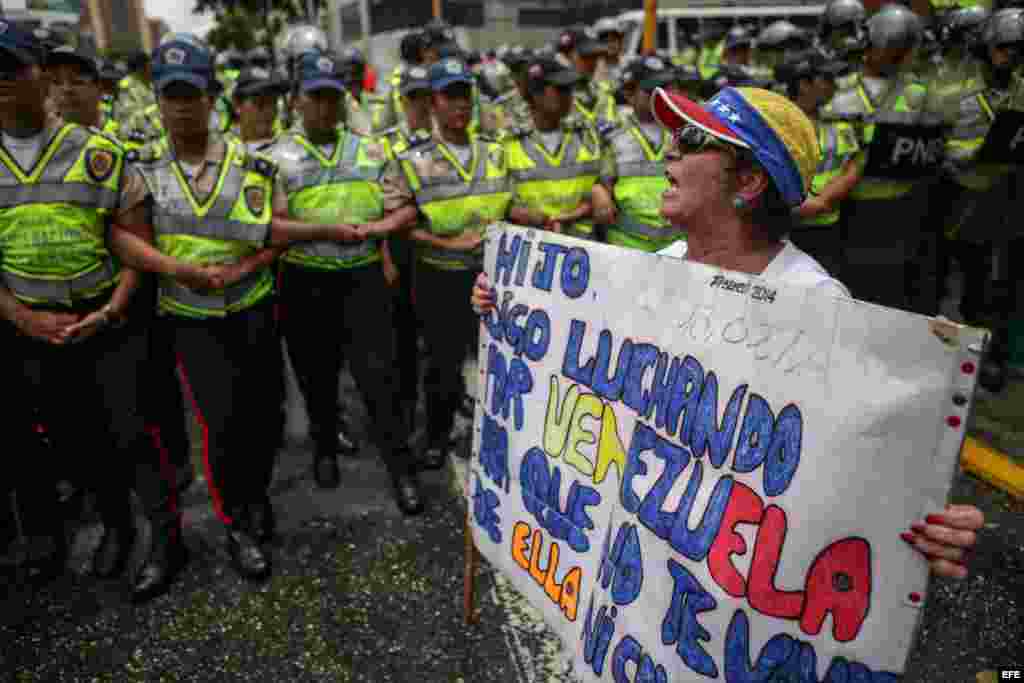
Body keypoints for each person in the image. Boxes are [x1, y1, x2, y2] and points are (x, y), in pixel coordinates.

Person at [472, 84, 985, 581]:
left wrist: (916, 526)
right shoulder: (659, 266)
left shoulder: (817, 306)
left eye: (694, 140)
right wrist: (508, 307)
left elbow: (850, 467)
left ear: (748, 184)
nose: (670, 150)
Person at [109, 35, 375, 580]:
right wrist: (177, 270)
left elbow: (273, 233)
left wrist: (247, 268)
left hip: (252, 308)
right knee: (223, 423)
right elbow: (123, 238)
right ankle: (239, 523)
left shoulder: (253, 163)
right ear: (158, 100)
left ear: (213, 97)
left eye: (192, 93)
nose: (182, 106)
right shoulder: (143, 166)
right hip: (192, 319)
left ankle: (254, 496)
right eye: (171, 94)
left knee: (263, 416)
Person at [0, 23, 180, 601]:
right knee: (77, 439)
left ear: (41, 77)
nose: (2, 83)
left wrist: (109, 312)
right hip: (33, 329)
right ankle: (117, 528)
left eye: (12, 69)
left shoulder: (100, 154)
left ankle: (165, 537)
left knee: (133, 431)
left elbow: (134, 243)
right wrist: (24, 319)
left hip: (108, 321)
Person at [262, 50, 423, 513]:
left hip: (362, 279)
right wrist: (324, 231)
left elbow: (406, 207)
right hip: (305, 280)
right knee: (316, 375)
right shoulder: (275, 159)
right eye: (315, 98)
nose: (325, 107)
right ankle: (325, 449)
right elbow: (269, 227)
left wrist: (379, 231)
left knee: (381, 378)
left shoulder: (372, 150)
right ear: (296, 101)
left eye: (333, 98)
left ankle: (401, 468)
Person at [391, 57, 512, 470]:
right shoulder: (413, 159)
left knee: (497, 361)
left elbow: (513, 207)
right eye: (450, 96)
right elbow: (400, 226)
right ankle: (437, 436)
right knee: (442, 366)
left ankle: (494, 436)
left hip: (492, 276)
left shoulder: (497, 153)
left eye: (465, 95)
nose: (460, 104)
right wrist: (445, 240)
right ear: (433, 103)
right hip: (439, 276)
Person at [821, 4, 947, 312]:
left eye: (904, 51)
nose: (899, 57)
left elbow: (933, 147)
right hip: (855, 208)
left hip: (906, 207)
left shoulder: (919, 92)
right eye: (893, 50)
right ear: (872, 46)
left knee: (900, 290)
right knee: (858, 291)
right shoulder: (839, 91)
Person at [939, 7, 1024, 392]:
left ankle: (997, 356)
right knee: (967, 283)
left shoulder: (1020, 88)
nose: (1013, 58)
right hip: (962, 197)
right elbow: (941, 148)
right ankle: (964, 357)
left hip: (1008, 196)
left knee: (1004, 283)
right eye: (1007, 49)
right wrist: (976, 154)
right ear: (987, 48)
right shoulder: (957, 89)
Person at [782, 51, 862, 278]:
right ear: (804, 84)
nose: (833, 84)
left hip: (831, 229)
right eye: (826, 79)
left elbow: (851, 165)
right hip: (787, 230)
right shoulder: (776, 123)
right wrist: (801, 207)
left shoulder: (839, 121)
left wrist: (824, 201)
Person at [504, 58, 603, 241]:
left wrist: (592, 201)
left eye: (569, 90)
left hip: (583, 250)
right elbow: (496, 199)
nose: (569, 97)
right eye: (560, 90)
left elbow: (601, 184)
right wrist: (517, 212)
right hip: (529, 249)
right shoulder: (507, 142)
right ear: (536, 94)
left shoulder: (587, 136)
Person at [592, 56, 683, 252]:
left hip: (678, 246)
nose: (660, 96)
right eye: (651, 91)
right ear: (629, 93)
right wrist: (599, 192)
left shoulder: (684, 132)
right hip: (626, 246)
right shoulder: (613, 136)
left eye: (665, 88)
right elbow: (602, 180)